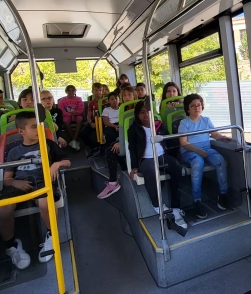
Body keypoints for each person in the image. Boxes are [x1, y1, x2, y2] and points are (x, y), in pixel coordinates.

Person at [0, 111, 71, 269]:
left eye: (40, 126)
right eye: (34, 127)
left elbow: (67, 162)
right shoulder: (14, 152)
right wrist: (15, 183)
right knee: (1, 212)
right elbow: (7, 179)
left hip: (42, 181)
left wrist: (56, 164)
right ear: (21, 131)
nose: (39, 129)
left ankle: (51, 234)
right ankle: (12, 245)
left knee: (45, 203)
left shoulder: (49, 145)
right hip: (19, 182)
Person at [128, 101, 186, 229]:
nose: (146, 115)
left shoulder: (159, 126)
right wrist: (134, 167)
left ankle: (176, 206)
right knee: (150, 170)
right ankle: (157, 205)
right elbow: (132, 148)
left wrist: (176, 157)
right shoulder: (133, 129)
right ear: (137, 115)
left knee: (176, 167)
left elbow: (168, 143)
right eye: (142, 112)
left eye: (148, 112)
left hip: (161, 155)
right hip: (146, 158)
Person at [178, 94, 230, 219]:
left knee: (220, 161)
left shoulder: (206, 120)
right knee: (198, 163)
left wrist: (222, 137)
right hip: (189, 151)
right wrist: (198, 151)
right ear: (188, 109)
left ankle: (223, 194)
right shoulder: (184, 123)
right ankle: (197, 200)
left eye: (199, 105)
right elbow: (183, 143)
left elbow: (214, 134)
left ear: (202, 107)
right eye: (193, 106)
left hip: (206, 149)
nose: (196, 108)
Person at [98, 92, 124, 199]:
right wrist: (114, 126)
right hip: (112, 125)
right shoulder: (106, 110)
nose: (114, 101)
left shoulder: (123, 108)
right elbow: (106, 122)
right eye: (112, 99)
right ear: (108, 101)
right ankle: (112, 153)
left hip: (121, 124)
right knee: (109, 134)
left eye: (116, 99)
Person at [80, 83, 103, 157]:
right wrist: (90, 123)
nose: (98, 92)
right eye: (96, 90)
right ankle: (94, 148)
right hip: (94, 121)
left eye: (100, 90)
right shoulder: (91, 103)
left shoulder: (106, 101)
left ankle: (102, 149)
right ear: (92, 91)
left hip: (104, 121)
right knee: (82, 134)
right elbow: (89, 116)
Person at [58, 85, 84, 151]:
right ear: (66, 91)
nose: (71, 92)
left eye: (73, 90)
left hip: (77, 114)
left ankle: (74, 140)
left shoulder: (79, 99)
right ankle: (74, 140)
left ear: (75, 91)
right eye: (69, 90)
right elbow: (61, 111)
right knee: (65, 121)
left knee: (80, 119)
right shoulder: (62, 100)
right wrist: (70, 114)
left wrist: (75, 113)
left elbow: (81, 110)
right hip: (67, 115)